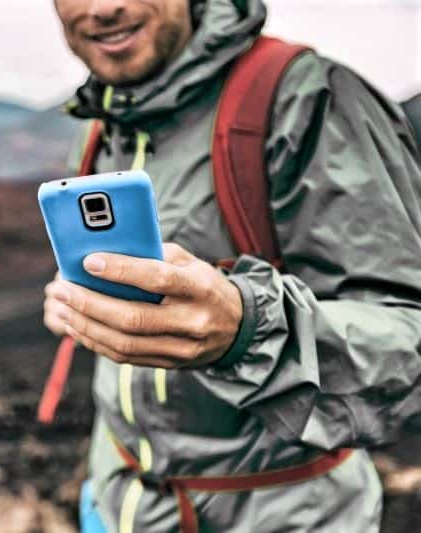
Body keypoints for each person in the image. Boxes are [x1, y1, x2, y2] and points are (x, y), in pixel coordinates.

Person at [42, 0, 421, 531]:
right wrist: (76, 302)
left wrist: (247, 329)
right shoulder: (103, 121)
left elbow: (408, 343)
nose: (105, 7)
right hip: (118, 503)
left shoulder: (309, 99)